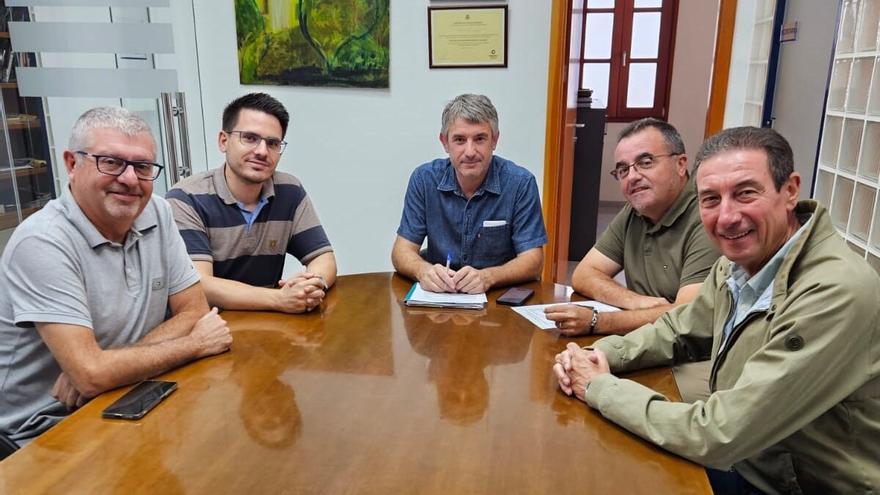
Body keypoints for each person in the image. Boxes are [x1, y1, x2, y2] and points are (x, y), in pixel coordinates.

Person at [552, 127, 880, 494]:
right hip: (754, 460)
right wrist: (598, 354)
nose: (726, 217)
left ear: (789, 190)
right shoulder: (735, 264)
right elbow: (678, 328)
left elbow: (721, 433)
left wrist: (599, 387)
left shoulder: (834, 291)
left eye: (745, 193)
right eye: (710, 199)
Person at [0, 107, 232, 444]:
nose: (129, 179)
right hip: (42, 432)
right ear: (71, 164)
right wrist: (194, 344)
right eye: (110, 162)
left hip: (124, 396)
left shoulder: (156, 211)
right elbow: (91, 376)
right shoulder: (42, 241)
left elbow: (194, 310)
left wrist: (108, 368)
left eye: (142, 166)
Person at [544, 118, 719, 337]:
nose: (633, 177)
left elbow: (687, 316)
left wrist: (598, 321)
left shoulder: (708, 216)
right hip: (645, 339)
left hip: (687, 355)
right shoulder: (634, 211)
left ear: (681, 164)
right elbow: (583, 274)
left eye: (646, 162)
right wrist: (636, 302)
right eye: (623, 170)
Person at [167, 93, 336, 314]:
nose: (262, 151)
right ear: (224, 141)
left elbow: (322, 256)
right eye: (250, 138)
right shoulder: (186, 198)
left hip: (271, 326)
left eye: (273, 143)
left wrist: (313, 284)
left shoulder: (289, 190)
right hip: (209, 329)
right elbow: (200, 284)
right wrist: (279, 299)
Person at [391, 94, 547, 294]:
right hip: (440, 299)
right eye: (459, 140)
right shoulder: (424, 179)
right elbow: (401, 251)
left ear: (495, 140)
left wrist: (488, 277)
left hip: (498, 297)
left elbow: (533, 260)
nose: (470, 151)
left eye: (480, 138)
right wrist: (424, 271)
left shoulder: (521, 184)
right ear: (445, 142)